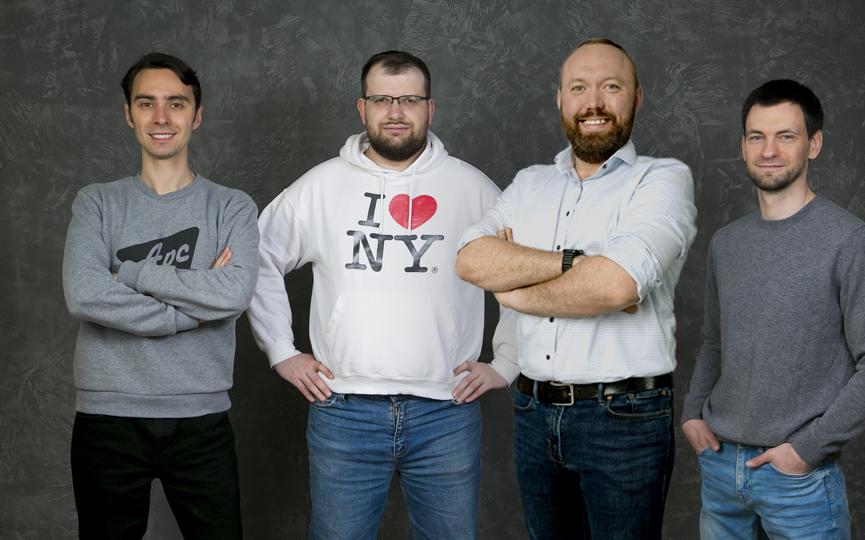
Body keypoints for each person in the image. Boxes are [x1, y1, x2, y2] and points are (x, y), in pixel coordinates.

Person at [247, 50, 515, 540]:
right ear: (361, 108)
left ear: (430, 109)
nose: (396, 111)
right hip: (344, 410)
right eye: (382, 99)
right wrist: (281, 351)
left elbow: (521, 271)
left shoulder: (472, 188)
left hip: (446, 411)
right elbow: (257, 256)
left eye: (410, 99)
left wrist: (508, 360)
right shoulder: (323, 185)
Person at [456, 38, 697, 539]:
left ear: (636, 98)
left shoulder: (663, 180)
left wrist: (515, 287)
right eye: (579, 88)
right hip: (531, 413)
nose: (594, 102)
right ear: (559, 99)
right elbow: (470, 259)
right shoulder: (530, 183)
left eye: (611, 87)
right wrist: (575, 264)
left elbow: (614, 285)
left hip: (623, 419)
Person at [680, 79, 865, 539]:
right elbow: (714, 342)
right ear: (743, 146)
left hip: (797, 479)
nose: (769, 150)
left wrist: (808, 448)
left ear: (814, 144)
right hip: (720, 469)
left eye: (786, 136)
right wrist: (692, 412)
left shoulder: (849, 241)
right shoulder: (727, 243)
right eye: (757, 136)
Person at [62, 52, 259, 538]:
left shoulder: (232, 206)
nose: (162, 118)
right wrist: (191, 312)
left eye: (176, 103)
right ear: (128, 115)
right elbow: (85, 294)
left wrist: (127, 272)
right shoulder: (97, 202)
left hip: (201, 419)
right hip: (108, 418)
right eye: (146, 104)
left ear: (198, 114)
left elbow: (233, 293)